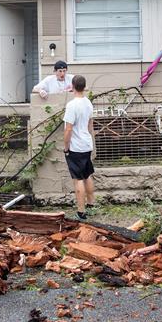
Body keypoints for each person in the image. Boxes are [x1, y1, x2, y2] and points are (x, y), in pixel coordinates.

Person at [63, 75, 96, 220]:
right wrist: (90, 141)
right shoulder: (88, 103)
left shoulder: (72, 105)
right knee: (87, 175)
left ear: (72, 86)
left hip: (75, 147)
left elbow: (68, 129)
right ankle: (91, 205)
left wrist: (66, 147)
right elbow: (90, 125)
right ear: (84, 86)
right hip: (87, 144)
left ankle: (81, 212)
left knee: (78, 179)